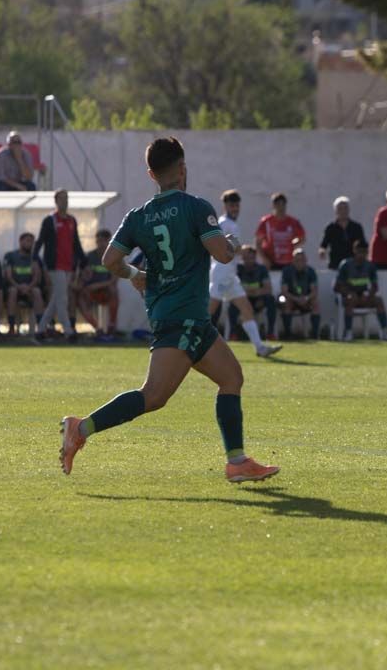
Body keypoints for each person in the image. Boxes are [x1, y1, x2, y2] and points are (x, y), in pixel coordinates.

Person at [58, 136, 280, 483]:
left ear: (151, 174)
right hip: (182, 317)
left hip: (180, 316)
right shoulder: (196, 207)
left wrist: (136, 275)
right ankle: (80, 428)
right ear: (182, 168)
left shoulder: (138, 216)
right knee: (153, 396)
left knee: (232, 377)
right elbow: (221, 254)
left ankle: (237, 462)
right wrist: (232, 244)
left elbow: (110, 260)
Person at [208, 190, 281, 357]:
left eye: (236, 205)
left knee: (246, 308)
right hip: (221, 273)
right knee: (208, 312)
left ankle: (260, 348)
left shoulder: (227, 223)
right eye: (231, 205)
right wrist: (245, 250)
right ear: (225, 206)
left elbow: (232, 247)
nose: (235, 208)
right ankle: (187, 344)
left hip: (229, 274)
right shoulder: (227, 224)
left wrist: (242, 250)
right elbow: (229, 247)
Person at [34, 189, 85, 341]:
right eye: (62, 199)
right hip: (54, 265)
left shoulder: (71, 220)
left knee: (57, 298)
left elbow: (76, 242)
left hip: (69, 265)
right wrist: (35, 259)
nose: (65, 201)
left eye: (66, 198)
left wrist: (83, 261)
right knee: (62, 299)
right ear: (56, 201)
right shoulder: (50, 220)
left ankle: (41, 330)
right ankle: (68, 331)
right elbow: (40, 240)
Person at [335, 240, 387, 341]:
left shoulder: (370, 266)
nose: (362, 255)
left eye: (365, 252)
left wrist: (369, 296)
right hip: (348, 297)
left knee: (379, 300)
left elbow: (375, 285)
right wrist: (349, 293)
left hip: (364, 296)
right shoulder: (346, 265)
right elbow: (337, 286)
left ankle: (385, 332)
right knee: (351, 299)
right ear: (354, 251)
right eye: (360, 252)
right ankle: (348, 332)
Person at [78, 229, 121, 340]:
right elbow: (84, 276)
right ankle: (98, 329)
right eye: (98, 241)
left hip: (105, 290)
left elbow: (113, 280)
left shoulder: (114, 256)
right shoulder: (89, 256)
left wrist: (97, 285)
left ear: (109, 241)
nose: (100, 243)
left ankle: (111, 327)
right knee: (80, 299)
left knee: (113, 290)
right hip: (92, 291)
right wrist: (84, 279)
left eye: (103, 241)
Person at [4, 232, 45, 334]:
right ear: (20, 242)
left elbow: (37, 277)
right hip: (15, 287)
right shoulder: (10, 256)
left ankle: (41, 327)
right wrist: (19, 286)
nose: (30, 244)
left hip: (30, 289)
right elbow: (8, 276)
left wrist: (29, 287)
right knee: (12, 291)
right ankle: (12, 327)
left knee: (37, 291)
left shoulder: (35, 258)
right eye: (27, 241)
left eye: (31, 242)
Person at [237, 246, 279, 340]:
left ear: (255, 258)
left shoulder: (261, 269)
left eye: (251, 258)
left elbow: (268, 289)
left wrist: (257, 294)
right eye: (246, 258)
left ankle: (270, 333)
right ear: (242, 258)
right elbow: (235, 287)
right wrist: (248, 294)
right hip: (243, 299)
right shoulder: (238, 269)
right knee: (233, 304)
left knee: (270, 300)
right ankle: (233, 333)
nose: (248, 260)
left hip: (259, 298)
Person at [255, 192, 306, 270]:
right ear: (273, 206)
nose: (281, 208)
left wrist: (291, 245)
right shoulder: (266, 222)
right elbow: (258, 242)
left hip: (288, 261)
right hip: (271, 261)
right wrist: (264, 259)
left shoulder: (293, 222)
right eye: (278, 205)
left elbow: (302, 238)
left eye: (283, 205)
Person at [280, 248, 320, 339]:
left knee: (315, 303)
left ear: (306, 261)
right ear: (293, 260)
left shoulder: (311, 272)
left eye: (302, 260)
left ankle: (314, 334)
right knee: (285, 302)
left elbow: (314, 291)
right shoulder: (287, 271)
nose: (300, 263)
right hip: (292, 299)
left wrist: (306, 298)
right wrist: (296, 299)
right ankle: (287, 334)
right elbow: (284, 291)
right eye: (297, 260)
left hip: (306, 299)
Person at [318, 196, 366, 270]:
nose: (343, 211)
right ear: (336, 211)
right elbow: (324, 244)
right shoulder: (331, 228)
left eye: (345, 208)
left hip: (353, 265)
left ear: (349, 210)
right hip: (335, 264)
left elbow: (362, 245)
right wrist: (322, 251)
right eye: (340, 209)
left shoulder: (357, 227)